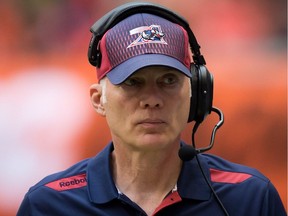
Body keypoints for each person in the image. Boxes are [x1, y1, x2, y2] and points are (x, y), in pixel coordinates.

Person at [17, 2, 286, 216]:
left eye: (168, 81)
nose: (152, 99)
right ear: (99, 100)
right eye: (133, 82)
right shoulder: (48, 204)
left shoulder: (250, 197)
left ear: (197, 94)